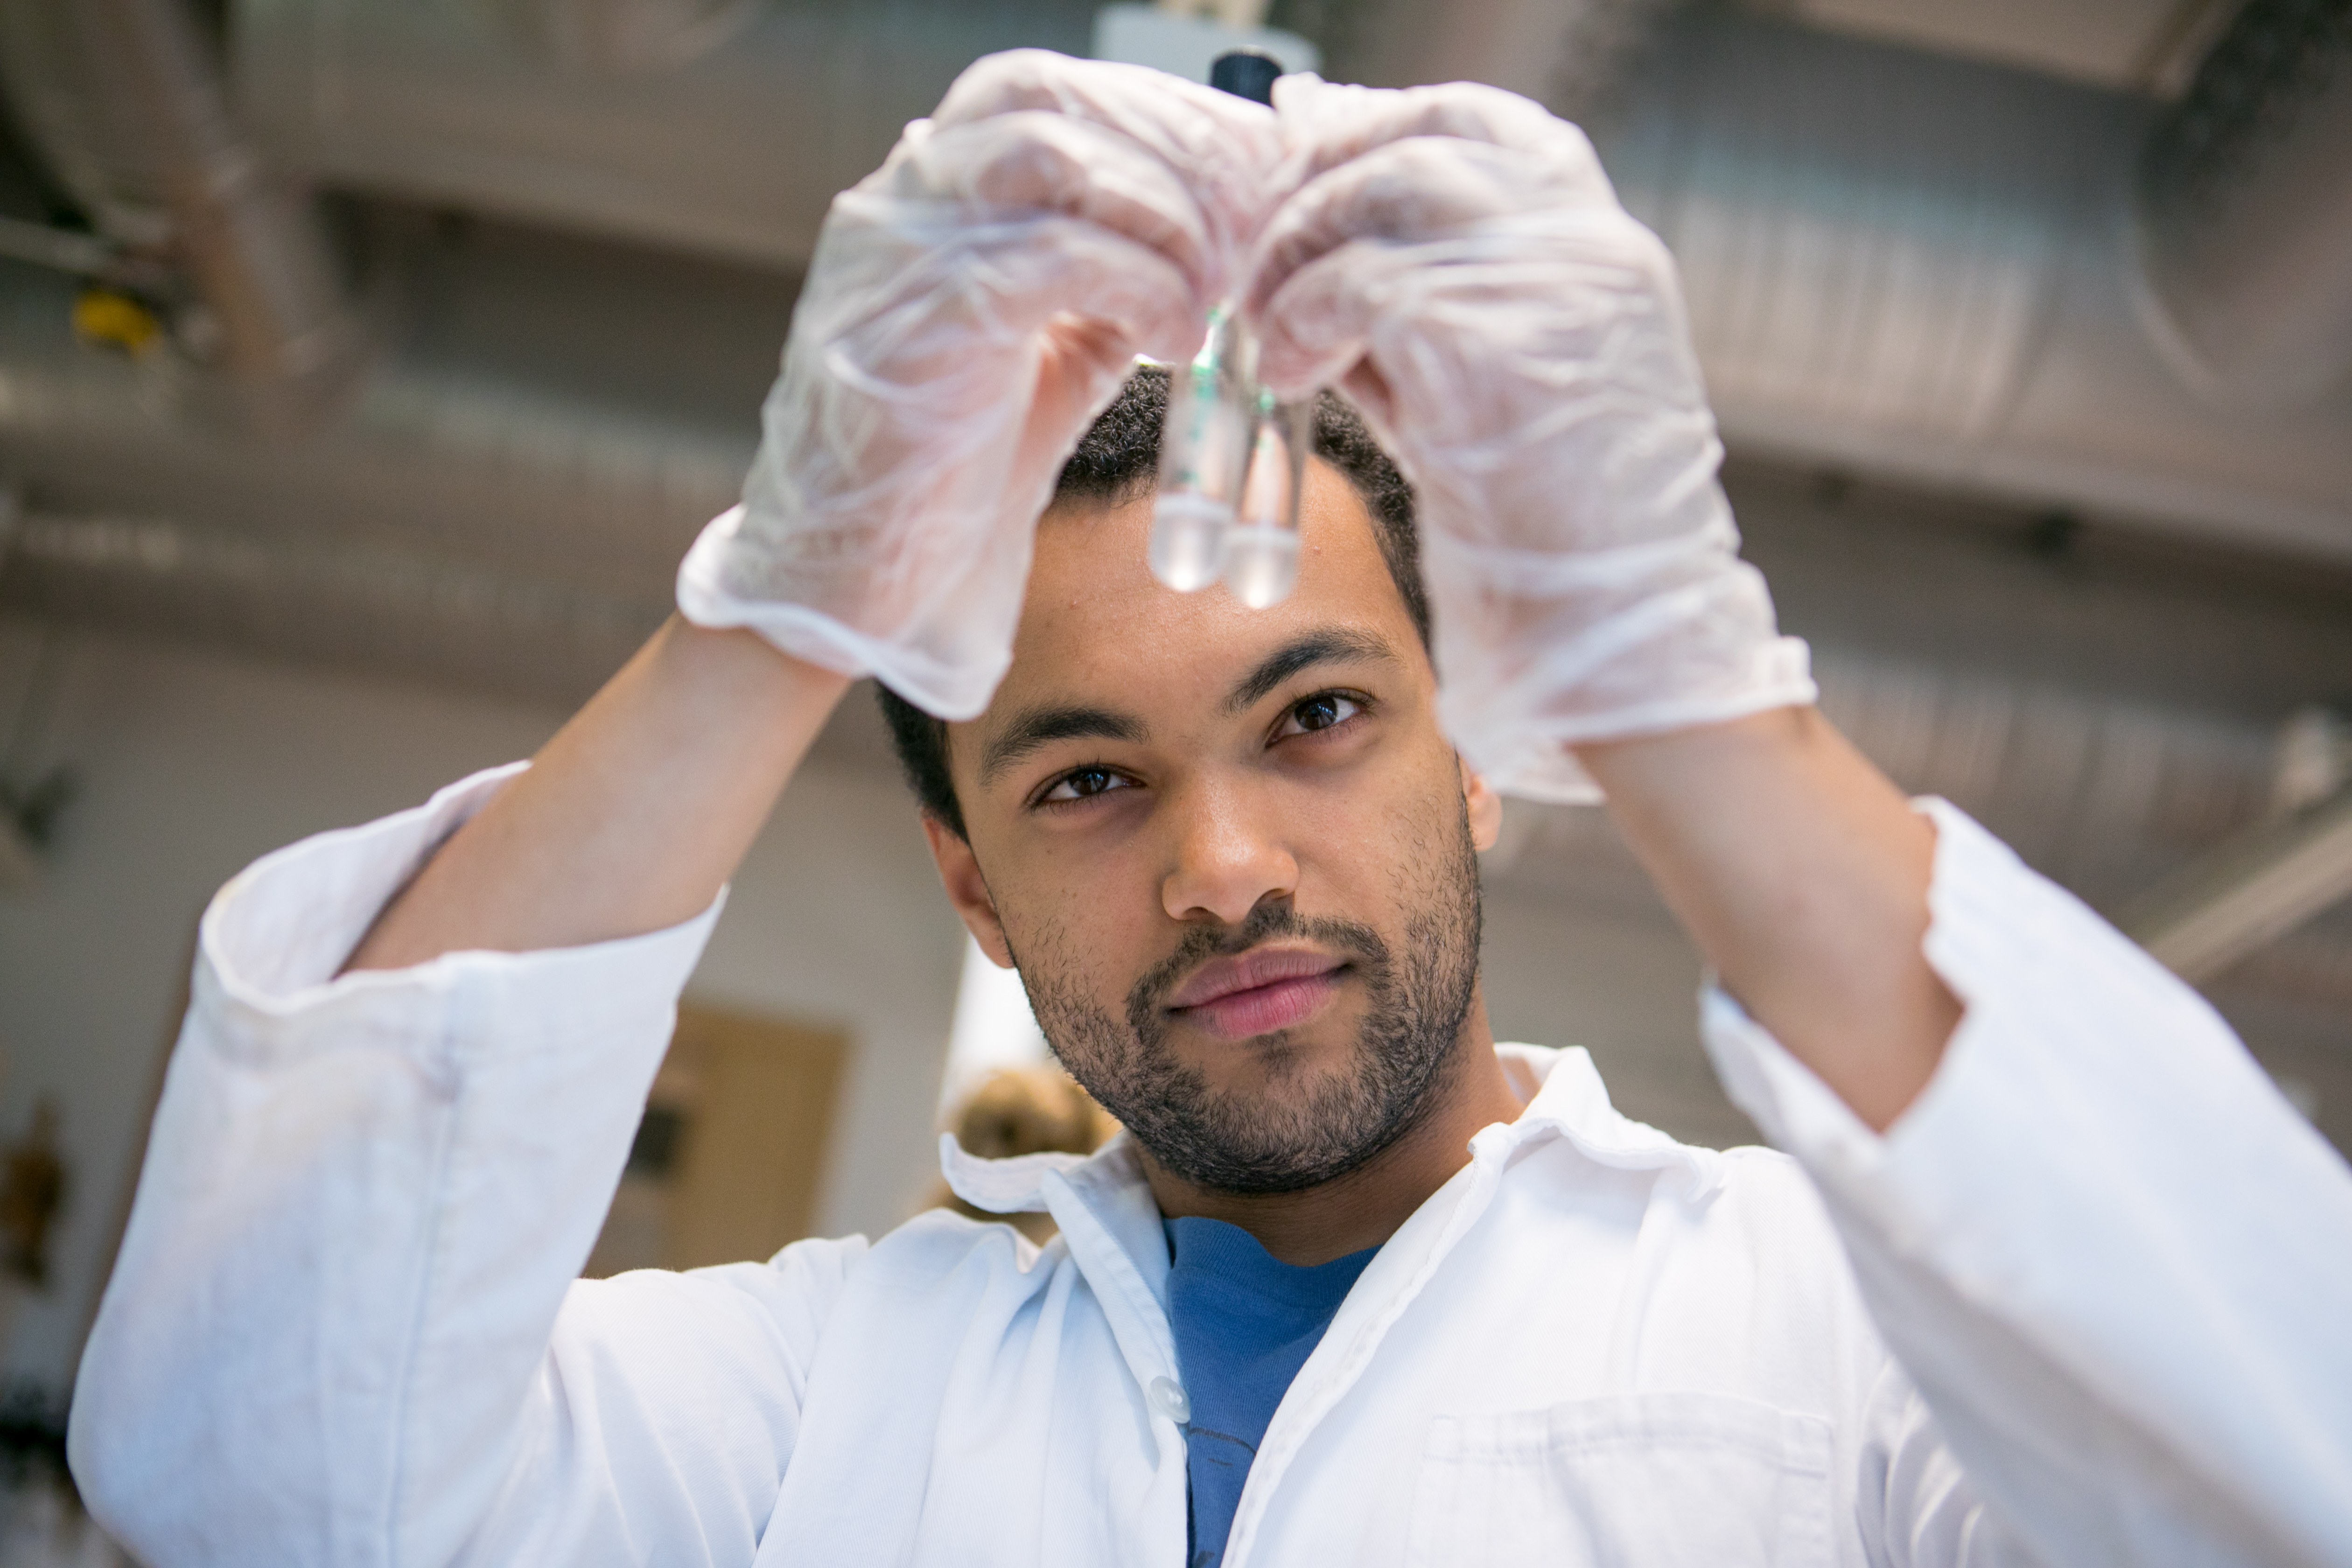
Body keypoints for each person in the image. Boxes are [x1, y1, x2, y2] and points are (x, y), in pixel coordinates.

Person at [66, 51, 2352, 1568]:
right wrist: (782, 606)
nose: (1225, 861)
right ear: (967, 880)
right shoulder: (811, 1400)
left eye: (1323, 715)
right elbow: (258, 1477)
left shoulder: (1812, 1345)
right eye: (1083, 777)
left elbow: (2296, 1462)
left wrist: (1677, 677)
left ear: (1480, 759)